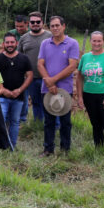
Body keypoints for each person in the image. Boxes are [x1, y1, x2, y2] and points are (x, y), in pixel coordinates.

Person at [37, 15, 79, 156]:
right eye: (52, 26)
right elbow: (40, 64)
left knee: (65, 121)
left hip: (64, 89)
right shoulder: (45, 44)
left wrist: (52, 80)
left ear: (63, 26)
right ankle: (48, 149)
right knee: (48, 121)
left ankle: (65, 149)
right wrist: (48, 82)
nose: (55, 28)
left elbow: (72, 66)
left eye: (57, 25)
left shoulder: (72, 43)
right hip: (47, 88)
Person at [76, 31, 104, 150]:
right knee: (95, 124)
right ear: (90, 41)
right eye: (94, 41)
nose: (96, 43)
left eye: (99, 41)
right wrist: (80, 97)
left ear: (103, 41)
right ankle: (99, 149)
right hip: (89, 95)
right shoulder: (85, 57)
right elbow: (79, 77)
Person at [0, 33, 33, 149]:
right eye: (7, 42)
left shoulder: (24, 58)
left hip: (18, 97)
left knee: (15, 122)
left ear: (16, 43)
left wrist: (20, 90)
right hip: (1, 97)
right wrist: (3, 90)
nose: (10, 45)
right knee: (1, 120)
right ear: (3, 44)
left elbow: (30, 75)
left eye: (12, 42)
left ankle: (12, 145)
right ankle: (1, 144)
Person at [18, 11, 52, 123]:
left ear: (42, 22)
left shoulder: (50, 36)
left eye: (38, 22)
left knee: (50, 102)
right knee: (36, 102)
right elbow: (19, 56)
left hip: (48, 77)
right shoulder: (23, 38)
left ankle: (53, 125)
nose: (35, 24)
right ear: (29, 23)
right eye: (33, 22)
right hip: (31, 77)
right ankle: (38, 125)